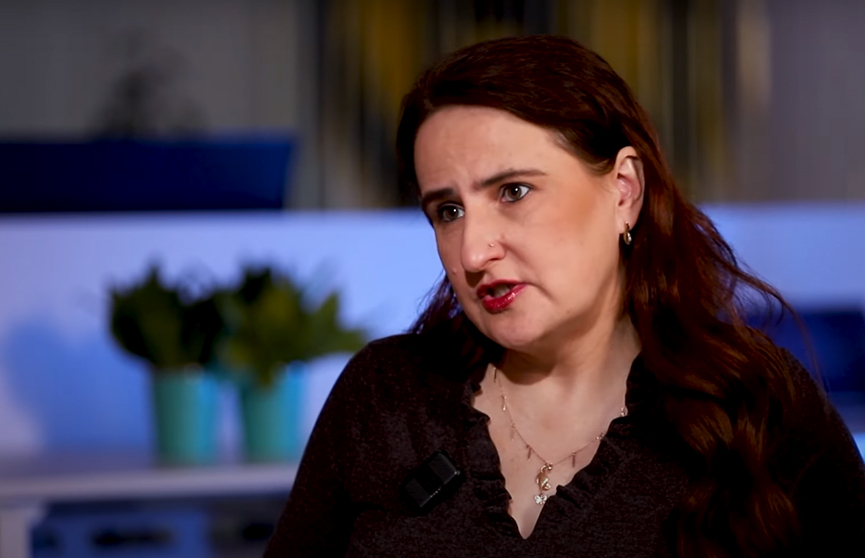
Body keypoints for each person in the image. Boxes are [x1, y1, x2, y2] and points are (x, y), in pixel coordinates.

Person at [264, 35, 865, 557]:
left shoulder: (754, 405)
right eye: (448, 211)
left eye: (513, 192)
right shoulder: (384, 396)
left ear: (623, 190)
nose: (472, 252)